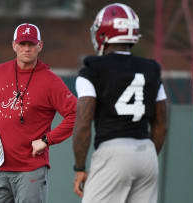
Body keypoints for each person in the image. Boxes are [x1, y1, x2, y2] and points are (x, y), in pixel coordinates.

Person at [72, 3, 168, 203]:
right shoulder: (151, 69)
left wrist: (80, 167)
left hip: (113, 152)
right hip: (146, 153)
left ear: (103, 33)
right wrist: (146, 155)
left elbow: (83, 124)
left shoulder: (93, 68)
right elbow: (161, 124)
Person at [0, 23, 77, 203]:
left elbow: (76, 114)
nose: (26, 49)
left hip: (31, 169)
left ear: (40, 46)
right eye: (22, 44)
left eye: (31, 44)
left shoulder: (50, 81)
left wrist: (47, 140)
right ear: (14, 45)